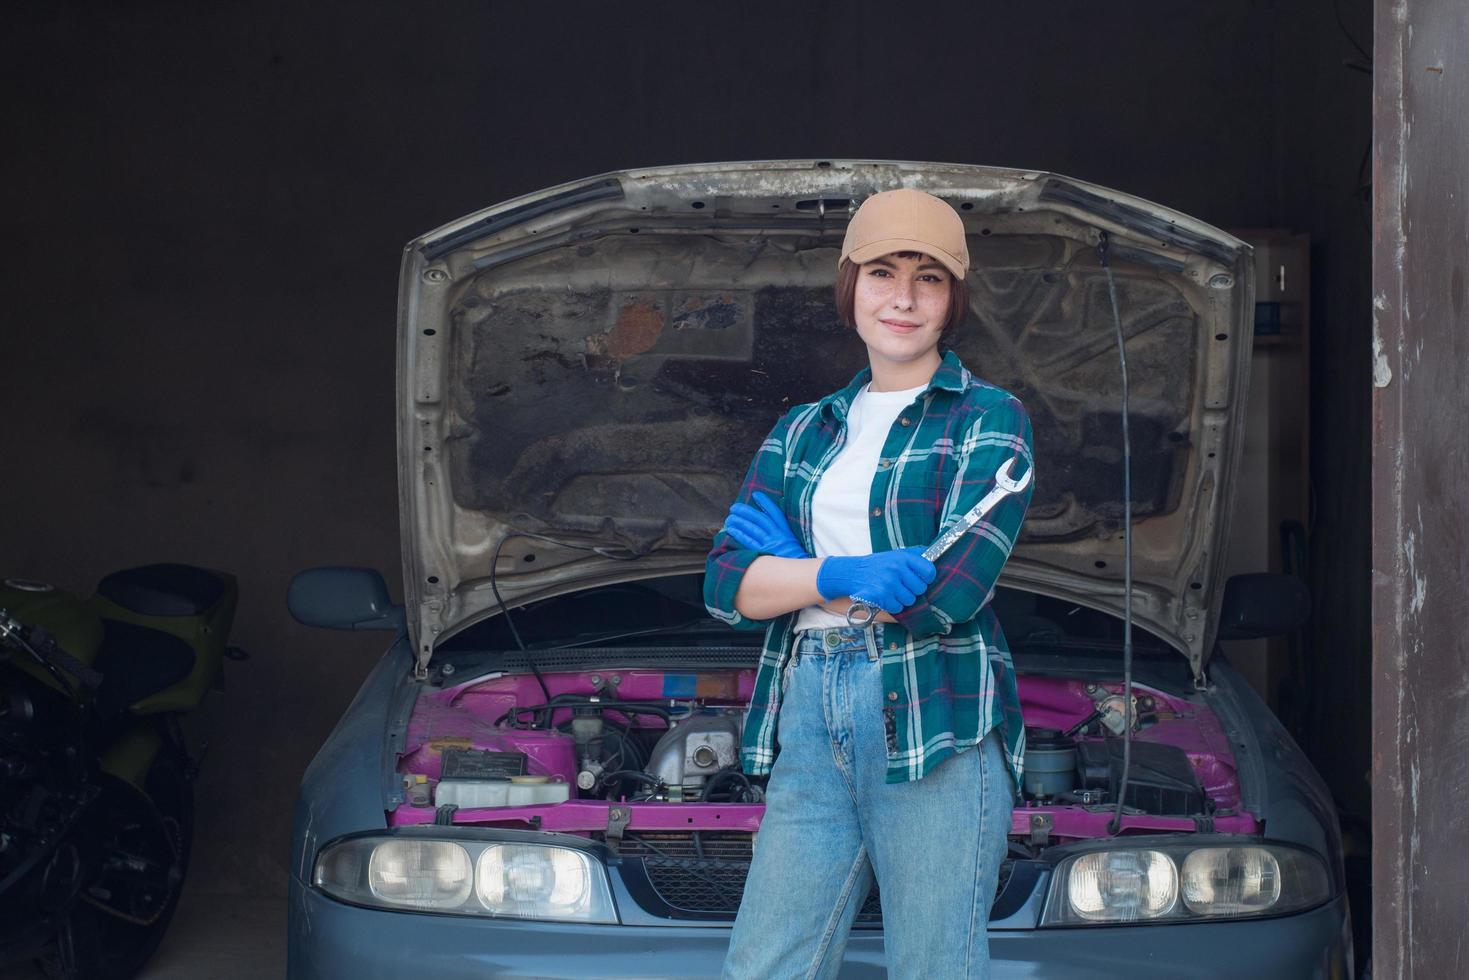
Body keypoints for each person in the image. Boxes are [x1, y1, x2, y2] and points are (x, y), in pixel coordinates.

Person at [703, 187, 1035, 980]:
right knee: (762, 966)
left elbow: (944, 594)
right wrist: (841, 574)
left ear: (952, 300)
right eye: (883, 272)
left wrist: (794, 570)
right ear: (849, 285)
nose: (903, 298)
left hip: (934, 719)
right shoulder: (802, 429)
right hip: (808, 716)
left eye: (929, 278)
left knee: (933, 966)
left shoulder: (988, 419)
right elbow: (724, 587)